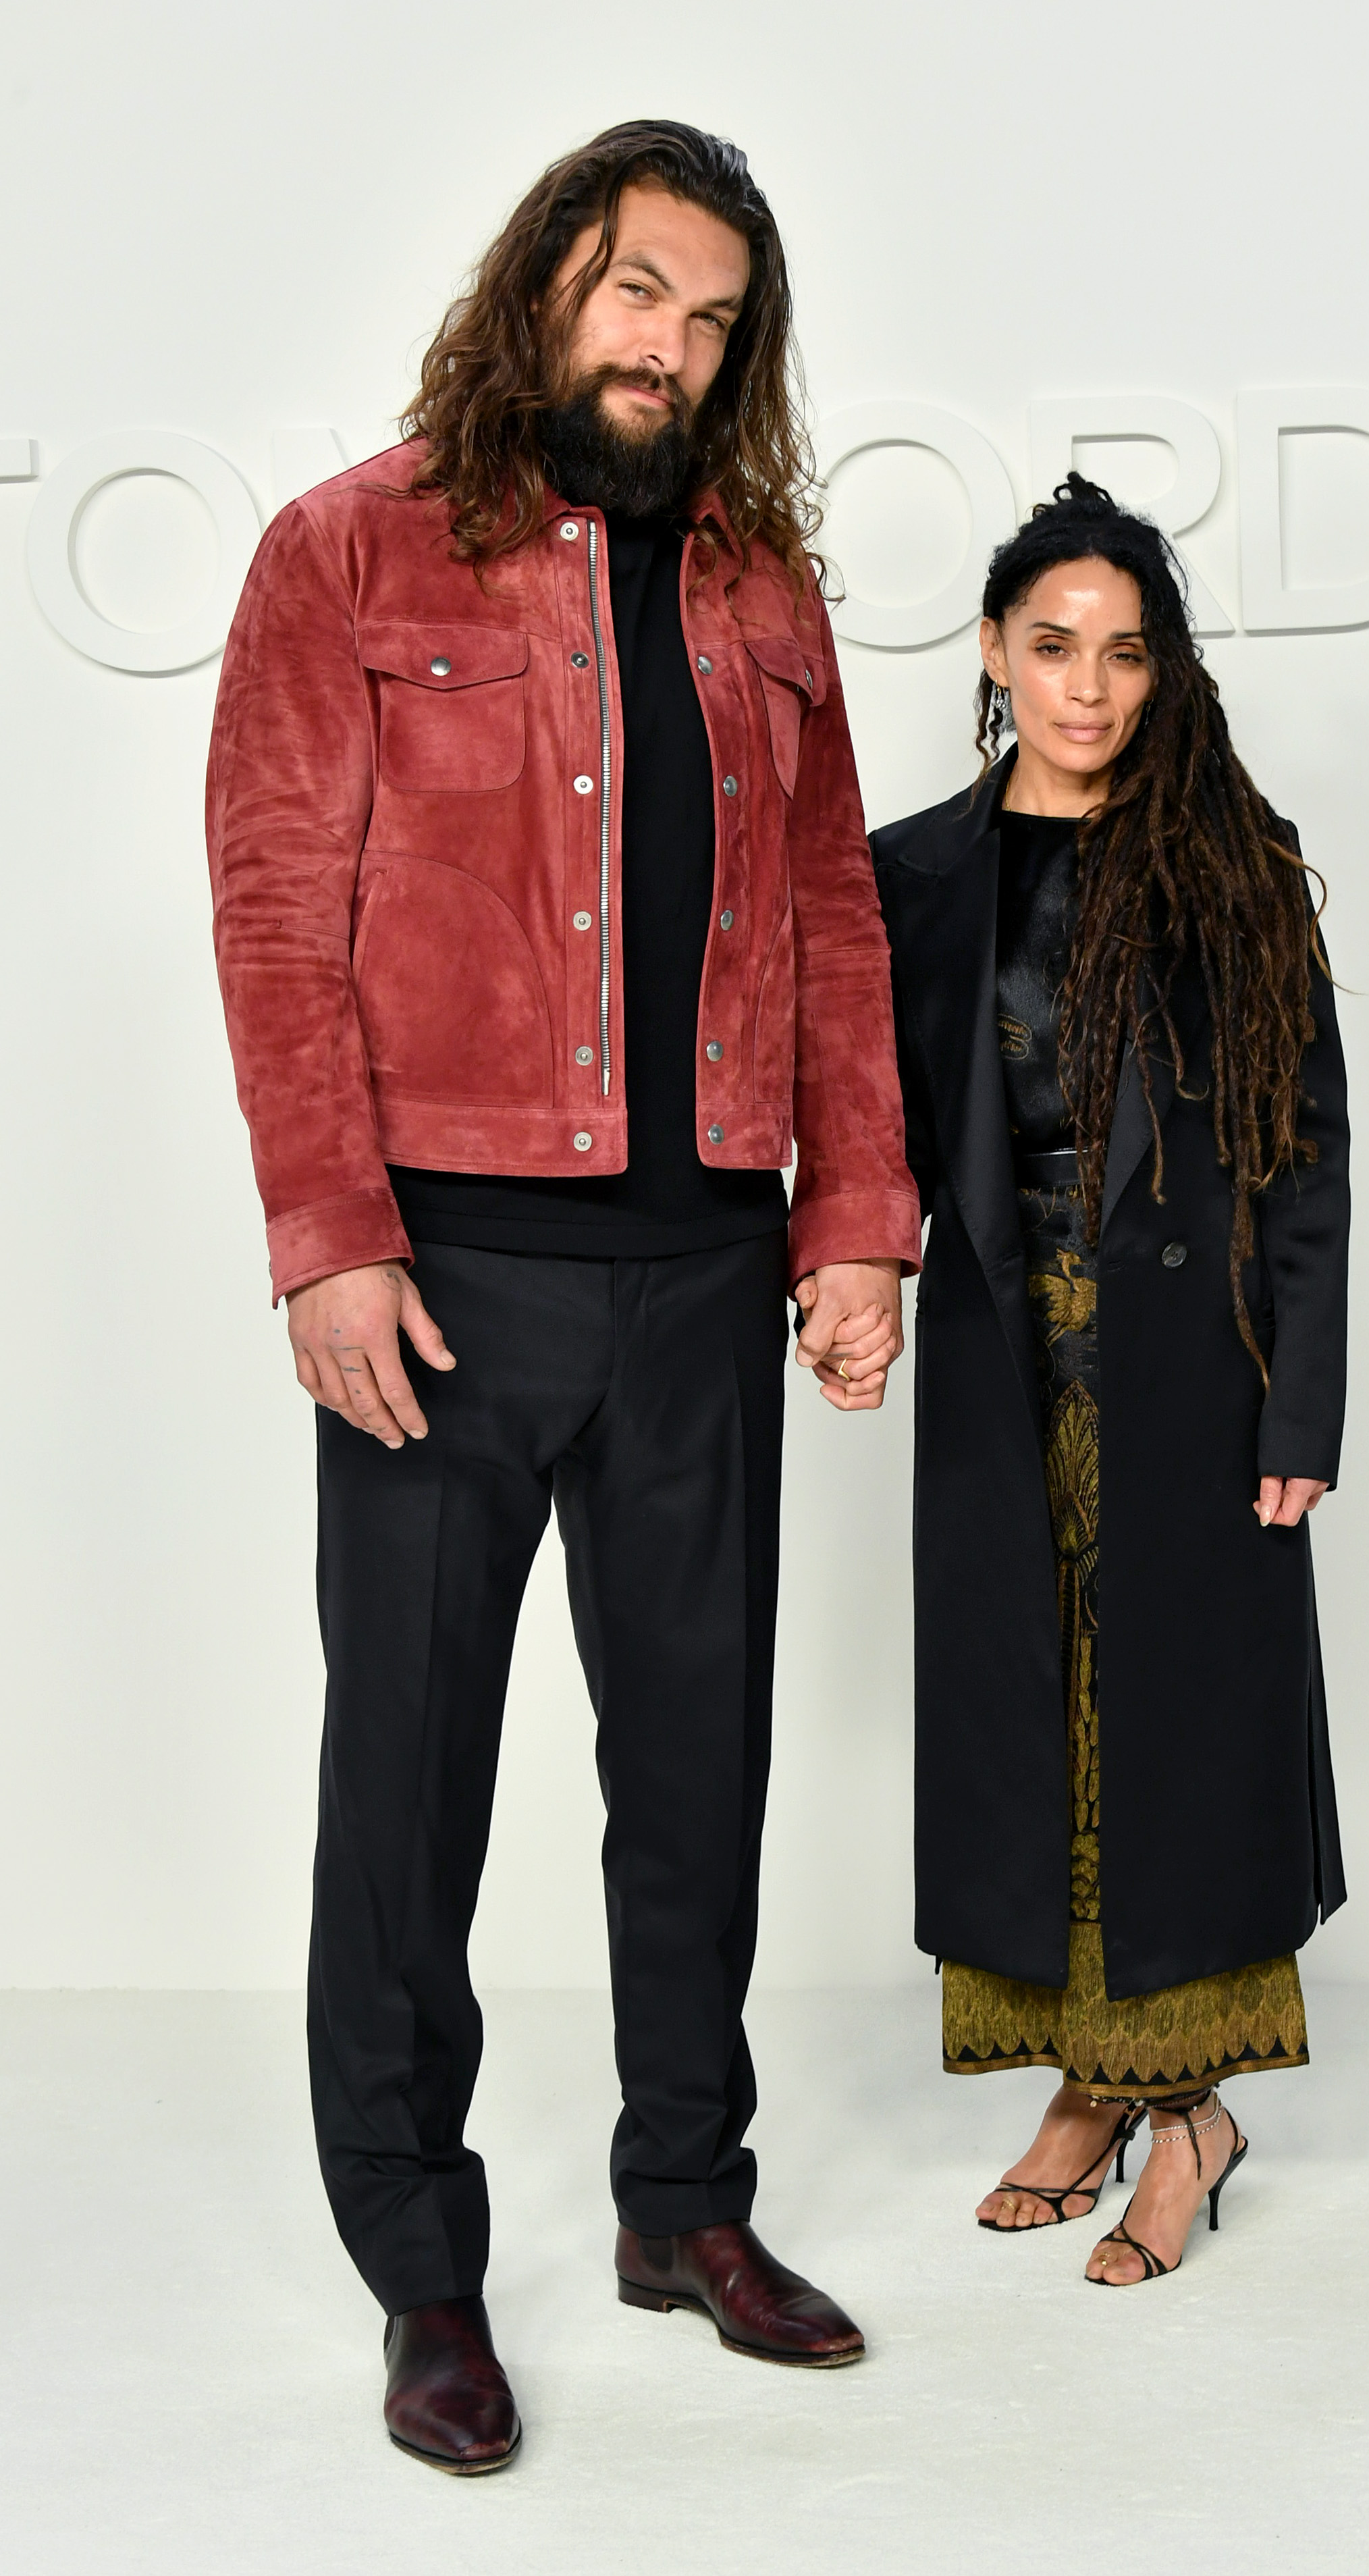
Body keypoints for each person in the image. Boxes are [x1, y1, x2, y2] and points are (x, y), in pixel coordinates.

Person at [207, 122, 918, 2469]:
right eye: (638, 294)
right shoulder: (350, 551)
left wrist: (852, 1222)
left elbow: (827, 920)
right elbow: (279, 915)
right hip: (446, 1281)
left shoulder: (758, 594)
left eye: (714, 321)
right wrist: (327, 1237)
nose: (671, 348)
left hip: (708, 1274)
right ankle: (422, 2265)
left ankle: (680, 2205)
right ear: (546, 287)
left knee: (693, 1771)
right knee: (406, 1790)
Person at [868, 477, 1349, 2288]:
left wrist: (1300, 1408)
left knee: (1179, 1745)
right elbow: (870, 1128)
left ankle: (1194, 2117)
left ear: (1165, 674)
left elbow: (1307, 1155)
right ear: (996, 652)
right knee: (1032, 1722)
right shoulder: (912, 875)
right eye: (1054, 646)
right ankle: (1088, 2083)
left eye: (1125, 653)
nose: (1087, 686)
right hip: (1001, 1367)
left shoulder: (1233, 862)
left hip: (1192, 1377)